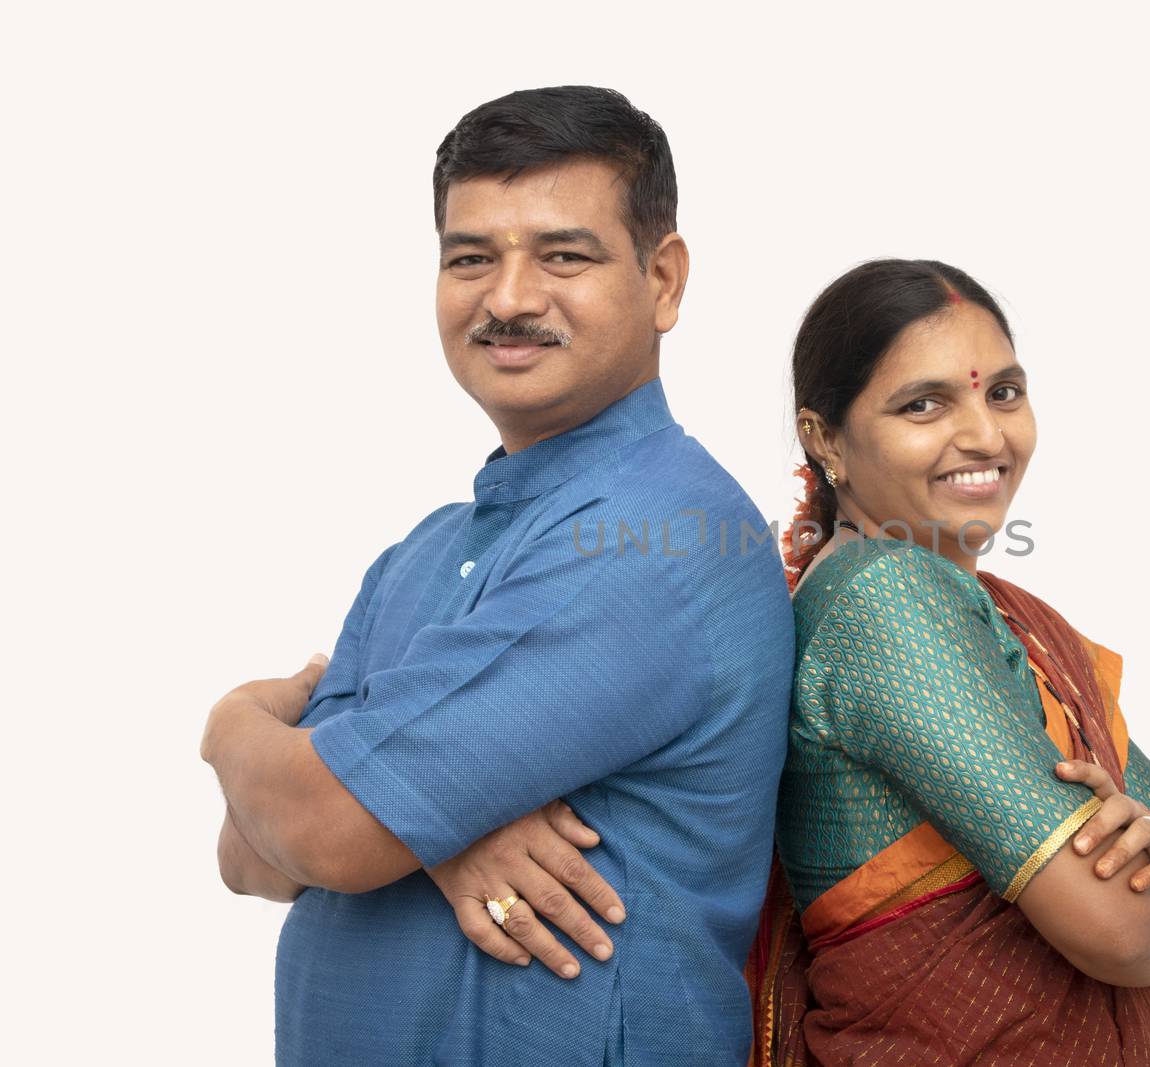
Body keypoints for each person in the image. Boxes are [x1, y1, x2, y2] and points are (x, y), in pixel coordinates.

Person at [200, 87, 795, 1066]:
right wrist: (429, 826)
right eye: (470, 256)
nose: (510, 297)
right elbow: (247, 854)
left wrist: (229, 724)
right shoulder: (421, 555)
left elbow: (320, 823)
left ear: (663, 279)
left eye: (564, 254)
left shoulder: (662, 537)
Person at [747, 259, 1150, 1065]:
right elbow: (1126, 937)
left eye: (1002, 392)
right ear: (824, 437)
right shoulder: (887, 598)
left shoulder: (1007, 615)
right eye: (925, 404)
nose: (985, 434)